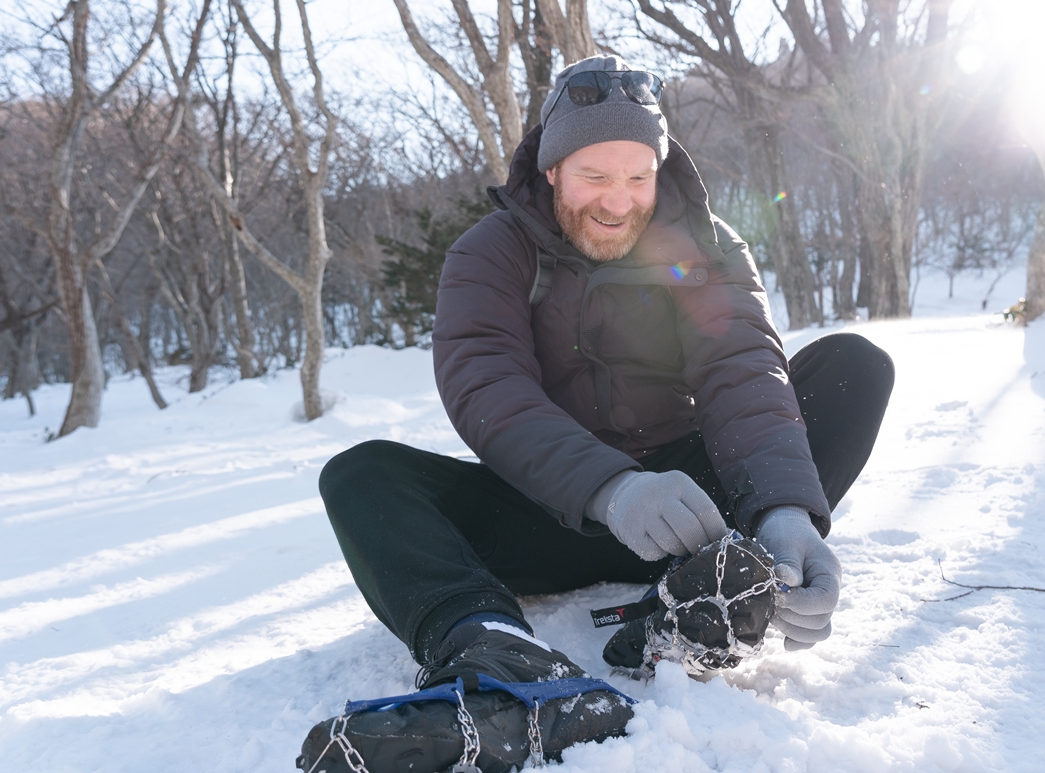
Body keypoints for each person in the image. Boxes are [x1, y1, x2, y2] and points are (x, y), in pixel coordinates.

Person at [298, 55, 894, 773]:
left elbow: (741, 368)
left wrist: (788, 510)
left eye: (637, 176)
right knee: (362, 475)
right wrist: (609, 487)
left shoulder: (704, 244)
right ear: (551, 169)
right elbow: (487, 388)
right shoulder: (488, 253)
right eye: (594, 177)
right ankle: (491, 644)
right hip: (550, 504)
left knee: (852, 369)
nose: (618, 201)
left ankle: (711, 595)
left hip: (694, 507)